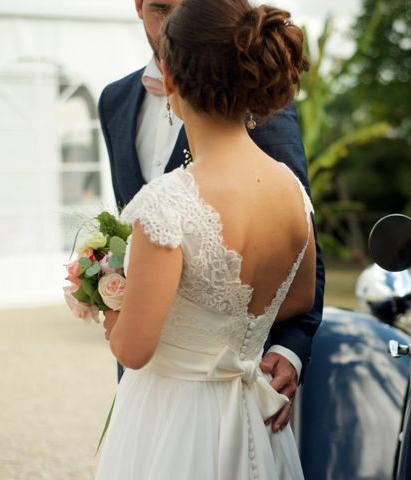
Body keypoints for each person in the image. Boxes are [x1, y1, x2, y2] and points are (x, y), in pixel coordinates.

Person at [95, 1, 317, 477]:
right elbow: (300, 296)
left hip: (174, 422)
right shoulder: (293, 193)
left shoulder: (166, 203)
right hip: (252, 418)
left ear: (170, 78)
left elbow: (133, 350)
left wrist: (107, 301)